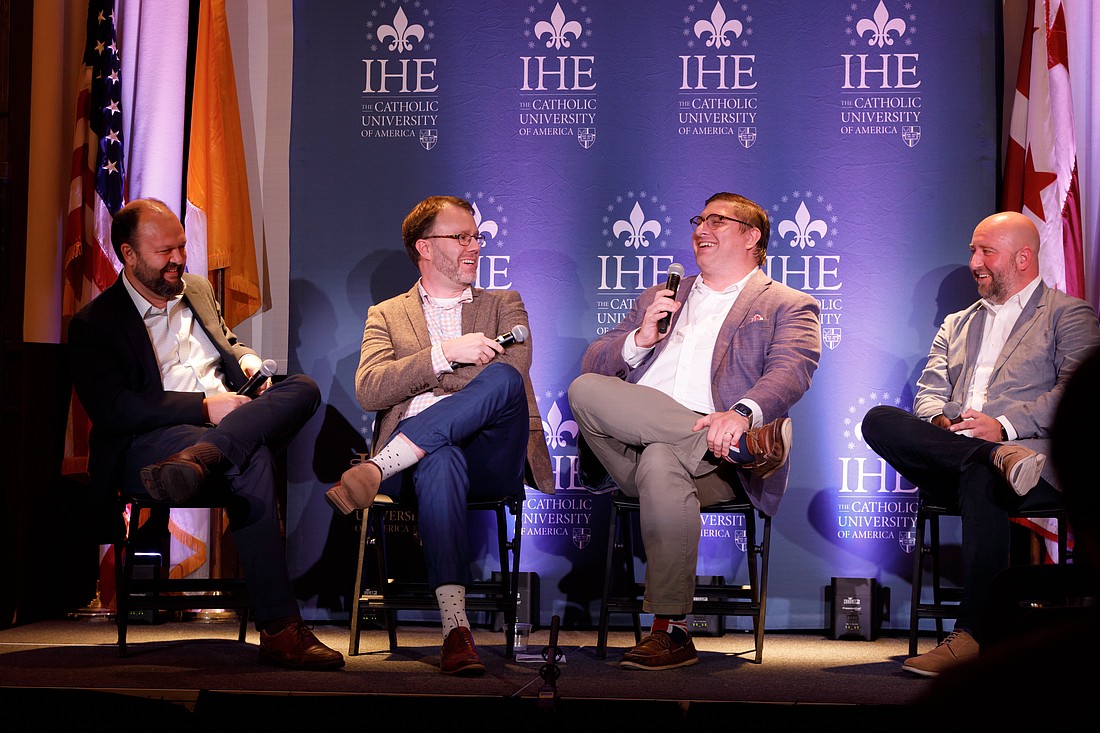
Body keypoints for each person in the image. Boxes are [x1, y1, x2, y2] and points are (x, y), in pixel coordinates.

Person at [67, 198, 343, 670]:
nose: (178, 259)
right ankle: (280, 629)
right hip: (153, 445)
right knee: (251, 457)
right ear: (128, 255)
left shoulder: (195, 288)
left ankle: (210, 452)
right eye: (164, 252)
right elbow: (114, 409)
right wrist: (204, 407)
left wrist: (246, 358)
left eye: (182, 246)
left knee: (303, 387)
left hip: (217, 432)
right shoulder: (95, 324)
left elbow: (224, 342)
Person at [568, 192, 822, 671]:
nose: (701, 228)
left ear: (752, 237)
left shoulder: (789, 303)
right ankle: (742, 447)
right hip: (631, 448)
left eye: (717, 221)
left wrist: (742, 414)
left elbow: (791, 371)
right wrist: (640, 338)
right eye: (698, 220)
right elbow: (595, 363)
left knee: (663, 459)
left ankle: (670, 630)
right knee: (585, 387)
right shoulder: (662, 296)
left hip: (717, 460)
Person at [862, 211, 1100, 677]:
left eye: (986, 251)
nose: (974, 262)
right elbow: (928, 393)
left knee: (979, 474)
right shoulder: (956, 323)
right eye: (973, 250)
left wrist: (1004, 428)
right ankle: (990, 457)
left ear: (1024, 257)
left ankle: (972, 632)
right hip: (959, 454)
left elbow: (1077, 395)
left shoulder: (1067, 314)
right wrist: (943, 421)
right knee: (878, 420)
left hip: (1036, 465)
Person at [326, 195, 554, 675]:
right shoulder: (386, 314)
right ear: (424, 247)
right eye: (461, 237)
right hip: (427, 464)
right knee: (438, 455)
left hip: (493, 453)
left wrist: (432, 383)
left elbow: (512, 372)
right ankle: (456, 629)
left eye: (477, 237)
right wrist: (444, 353)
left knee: (505, 380)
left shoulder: (504, 304)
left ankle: (375, 468)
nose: (475, 246)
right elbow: (370, 388)